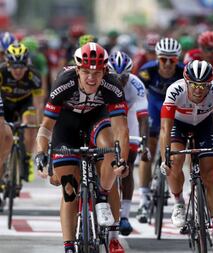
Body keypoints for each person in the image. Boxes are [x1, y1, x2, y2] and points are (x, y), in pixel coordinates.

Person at [35, 42, 129, 253]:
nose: (91, 78)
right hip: (66, 126)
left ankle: (103, 197)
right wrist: (41, 154)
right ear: (77, 69)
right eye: (86, 71)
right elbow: (46, 127)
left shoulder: (112, 84)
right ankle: (69, 245)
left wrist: (121, 160)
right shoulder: (64, 83)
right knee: (68, 188)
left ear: (105, 70)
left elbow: (121, 129)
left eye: (97, 72)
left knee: (110, 153)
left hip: (97, 120)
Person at [159, 60, 213, 252]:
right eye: (194, 85)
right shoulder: (175, 90)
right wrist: (164, 157)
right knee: (175, 163)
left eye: (203, 86)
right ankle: (178, 202)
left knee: (210, 173)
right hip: (179, 125)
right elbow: (165, 128)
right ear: (186, 82)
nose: (199, 90)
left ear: (210, 84)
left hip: (204, 125)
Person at [135, 37, 184, 223]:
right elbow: (139, 97)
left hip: (175, 109)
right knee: (149, 149)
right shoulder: (147, 71)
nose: (168, 64)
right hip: (155, 107)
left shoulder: (183, 73)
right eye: (164, 59)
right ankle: (144, 197)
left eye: (172, 60)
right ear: (157, 58)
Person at [107, 50, 150, 236]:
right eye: (115, 76)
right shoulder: (101, 82)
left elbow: (143, 119)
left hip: (129, 117)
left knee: (128, 165)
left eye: (123, 76)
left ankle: (124, 216)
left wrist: (144, 143)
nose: (119, 80)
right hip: (106, 116)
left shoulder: (136, 85)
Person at [0, 42, 43, 182]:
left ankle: (27, 159)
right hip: (5, 105)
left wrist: (38, 123)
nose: (18, 70)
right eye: (14, 66)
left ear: (27, 64)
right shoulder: (1, 73)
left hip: (25, 104)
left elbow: (38, 102)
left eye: (21, 66)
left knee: (29, 124)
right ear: (7, 64)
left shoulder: (34, 76)